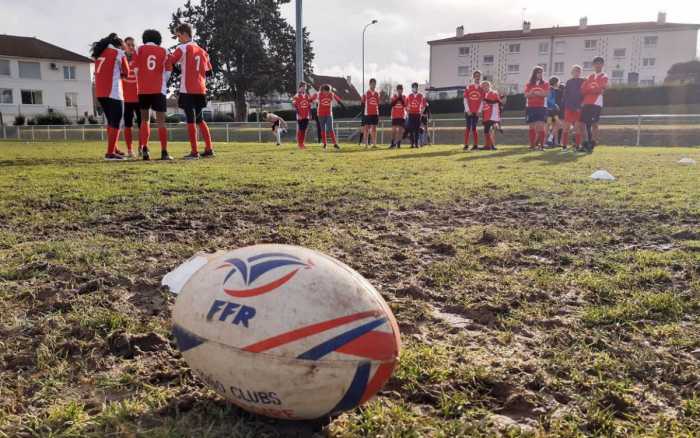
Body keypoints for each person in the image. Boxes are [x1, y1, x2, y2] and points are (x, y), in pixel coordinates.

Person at [170, 23, 215, 159]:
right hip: (201, 89)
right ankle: (209, 149)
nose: (178, 39)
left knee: (190, 120)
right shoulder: (202, 51)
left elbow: (170, 61)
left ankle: (194, 152)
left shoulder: (182, 48)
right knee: (200, 119)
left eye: (178, 36)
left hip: (188, 89)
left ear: (184, 34)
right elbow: (209, 72)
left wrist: (178, 69)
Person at [132, 29, 172, 161]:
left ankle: (144, 150)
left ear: (145, 38)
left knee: (144, 120)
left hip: (143, 89)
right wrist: (161, 83)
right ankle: (164, 152)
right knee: (161, 122)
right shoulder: (164, 51)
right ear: (158, 39)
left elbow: (136, 69)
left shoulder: (139, 49)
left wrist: (143, 80)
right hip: (158, 89)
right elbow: (168, 71)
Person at [91, 33, 129, 161]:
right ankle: (110, 153)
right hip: (113, 92)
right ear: (119, 44)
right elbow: (127, 72)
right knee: (116, 122)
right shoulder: (118, 52)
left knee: (110, 122)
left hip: (100, 92)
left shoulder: (99, 53)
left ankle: (114, 148)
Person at [581, 57, 609, 152]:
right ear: (593, 65)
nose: (598, 65)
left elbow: (601, 88)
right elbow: (583, 89)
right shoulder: (590, 77)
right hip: (586, 102)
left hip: (596, 103)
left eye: (600, 63)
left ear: (602, 65)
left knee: (594, 124)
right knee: (582, 123)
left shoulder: (604, 76)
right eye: (596, 63)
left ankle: (592, 144)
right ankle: (585, 144)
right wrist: (593, 88)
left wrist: (592, 88)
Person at [122, 36, 140, 158]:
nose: (131, 47)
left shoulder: (139, 58)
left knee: (142, 124)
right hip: (126, 99)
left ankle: (143, 147)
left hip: (140, 97)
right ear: (124, 46)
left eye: (133, 45)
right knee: (127, 125)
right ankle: (129, 150)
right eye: (129, 45)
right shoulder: (120, 59)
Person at [524, 66, 550, 150]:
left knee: (541, 127)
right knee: (532, 127)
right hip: (530, 107)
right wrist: (535, 93)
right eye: (538, 72)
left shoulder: (545, 83)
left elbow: (545, 94)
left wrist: (534, 93)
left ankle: (541, 146)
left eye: (541, 72)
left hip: (541, 107)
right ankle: (532, 146)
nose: (540, 74)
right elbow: (527, 95)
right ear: (534, 73)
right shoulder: (529, 84)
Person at [562, 65, 585, 151]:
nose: (576, 72)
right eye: (575, 71)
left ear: (580, 73)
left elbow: (584, 95)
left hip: (579, 108)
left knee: (577, 127)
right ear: (572, 72)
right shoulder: (568, 82)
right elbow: (565, 95)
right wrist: (567, 105)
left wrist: (581, 105)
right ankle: (564, 146)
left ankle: (577, 146)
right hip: (569, 107)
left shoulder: (583, 81)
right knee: (566, 127)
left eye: (578, 71)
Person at [315, 84, 342, 150]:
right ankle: (324, 144)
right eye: (325, 91)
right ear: (323, 90)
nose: (327, 93)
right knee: (323, 129)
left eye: (328, 91)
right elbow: (310, 98)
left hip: (329, 113)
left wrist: (341, 103)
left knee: (330, 128)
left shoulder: (331, 94)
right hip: (320, 114)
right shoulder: (318, 94)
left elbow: (338, 99)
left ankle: (335, 144)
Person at [463, 70, 484, 150]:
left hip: (476, 112)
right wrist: (467, 110)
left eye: (478, 76)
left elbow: (482, 100)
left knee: (474, 128)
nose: (477, 77)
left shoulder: (481, 88)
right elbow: (465, 99)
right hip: (468, 111)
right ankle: (466, 145)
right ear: (473, 77)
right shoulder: (469, 87)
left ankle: (475, 145)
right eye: (476, 76)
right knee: (468, 127)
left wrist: (479, 111)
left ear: (480, 77)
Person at [481, 81, 502, 150]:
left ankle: (492, 146)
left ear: (489, 86)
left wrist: (485, 100)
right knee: (486, 131)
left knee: (490, 131)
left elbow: (496, 102)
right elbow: (483, 105)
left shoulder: (494, 93)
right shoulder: (483, 94)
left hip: (493, 115)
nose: (484, 87)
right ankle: (488, 146)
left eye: (486, 86)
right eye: (483, 86)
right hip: (486, 114)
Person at [405, 82, 428, 148]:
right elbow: (406, 105)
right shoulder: (409, 96)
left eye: (416, 87)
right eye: (413, 87)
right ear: (412, 88)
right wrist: (407, 111)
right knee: (411, 129)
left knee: (417, 129)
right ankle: (412, 144)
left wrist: (421, 112)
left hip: (417, 114)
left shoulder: (421, 96)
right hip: (411, 114)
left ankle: (416, 144)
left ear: (417, 88)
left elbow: (424, 105)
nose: (415, 88)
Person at [292, 81, 314, 149]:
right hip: (300, 116)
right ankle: (299, 144)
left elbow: (309, 106)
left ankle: (302, 143)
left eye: (305, 87)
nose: (304, 88)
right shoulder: (296, 96)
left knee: (304, 130)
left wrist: (310, 114)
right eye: (303, 87)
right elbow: (295, 106)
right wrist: (299, 115)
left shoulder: (307, 96)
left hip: (306, 115)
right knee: (301, 129)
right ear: (300, 87)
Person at [361, 78, 380, 148]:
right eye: (372, 83)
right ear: (369, 84)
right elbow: (362, 104)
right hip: (367, 114)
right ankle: (366, 144)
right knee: (366, 129)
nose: (373, 85)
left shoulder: (377, 94)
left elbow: (378, 104)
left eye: (374, 84)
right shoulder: (366, 93)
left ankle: (374, 144)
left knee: (374, 129)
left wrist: (378, 113)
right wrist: (363, 114)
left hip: (375, 113)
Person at [545, 77, 563, 148]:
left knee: (553, 125)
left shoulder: (554, 90)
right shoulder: (550, 89)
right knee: (559, 125)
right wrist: (555, 105)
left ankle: (553, 142)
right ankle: (549, 140)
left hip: (552, 111)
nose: (559, 84)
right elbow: (549, 100)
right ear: (556, 82)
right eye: (558, 82)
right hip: (551, 111)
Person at [389, 85, 406, 149]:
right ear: (397, 90)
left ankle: (398, 144)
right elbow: (392, 104)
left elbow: (404, 105)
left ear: (402, 90)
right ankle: (392, 144)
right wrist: (398, 98)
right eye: (398, 89)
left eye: (401, 89)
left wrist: (400, 98)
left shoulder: (404, 97)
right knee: (393, 130)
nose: (400, 90)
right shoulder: (394, 96)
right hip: (394, 116)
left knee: (400, 130)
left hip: (401, 116)